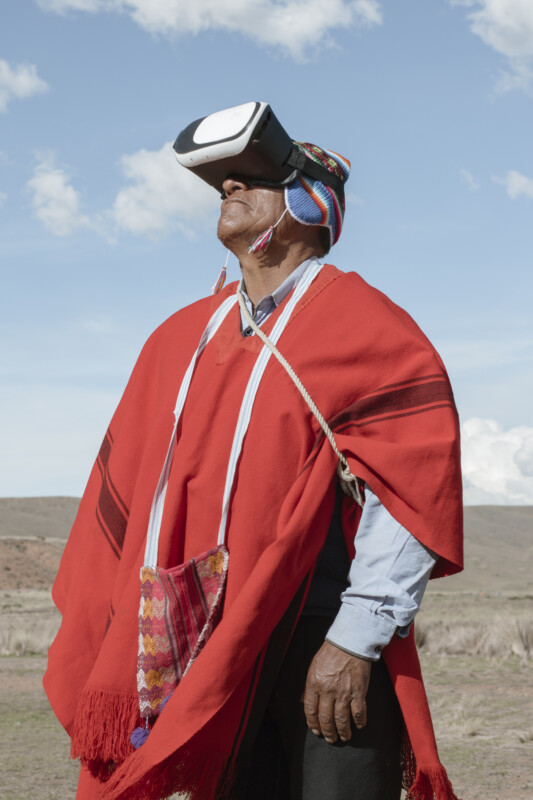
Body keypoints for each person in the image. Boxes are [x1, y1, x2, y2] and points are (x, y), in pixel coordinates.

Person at [44, 104, 464, 800]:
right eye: (223, 181)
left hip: (322, 633)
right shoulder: (177, 339)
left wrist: (353, 640)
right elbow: (129, 498)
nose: (229, 188)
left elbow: (408, 493)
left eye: (253, 176)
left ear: (310, 202)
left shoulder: (366, 327)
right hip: (208, 642)